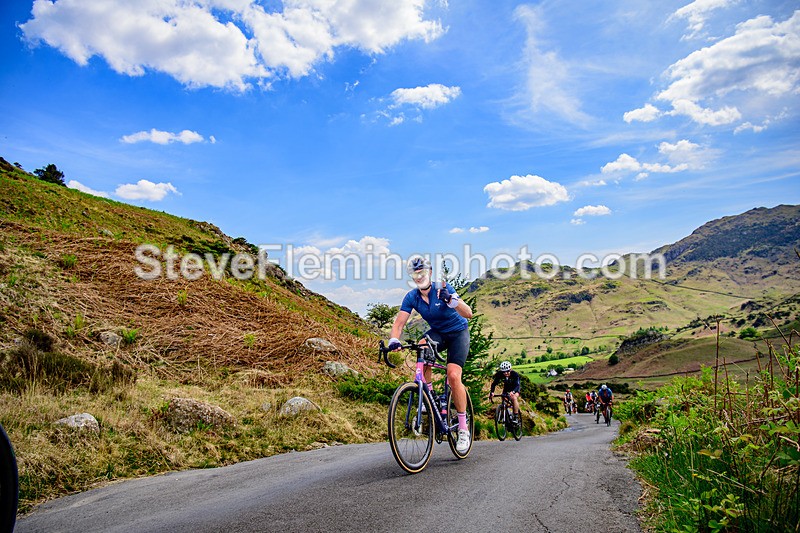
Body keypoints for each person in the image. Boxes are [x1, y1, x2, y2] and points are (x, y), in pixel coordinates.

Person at [388, 257, 474, 453]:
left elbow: (468, 313)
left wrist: (452, 300)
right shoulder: (412, 297)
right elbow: (399, 323)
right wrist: (394, 340)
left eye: (422, 273)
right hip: (439, 333)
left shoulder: (442, 288)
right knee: (421, 347)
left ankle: (463, 428)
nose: (419, 277)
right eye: (415, 274)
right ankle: (429, 398)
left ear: (429, 273)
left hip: (458, 333)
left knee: (453, 375)